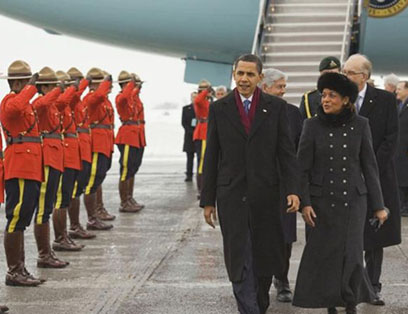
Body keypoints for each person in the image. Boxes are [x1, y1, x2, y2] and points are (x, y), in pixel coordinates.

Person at [200, 54, 300, 314]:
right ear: (234, 75)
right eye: (240, 74)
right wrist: (207, 200)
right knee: (239, 255)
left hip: (267, 194)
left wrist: (293, 190)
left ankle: (259, 303)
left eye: (250, 74)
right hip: (232, 195)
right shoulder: (220, 108)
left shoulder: (275, 108)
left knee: (263, 257)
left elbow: (286, 153)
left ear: (259, 77)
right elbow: (211, 155)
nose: (244, 79)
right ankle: (249, 308)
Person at [293, 72, 389, 314]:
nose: (325, 100)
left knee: (353, 254)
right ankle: (330, 302)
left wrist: (378, 206)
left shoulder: (361, 125)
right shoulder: (311, 126)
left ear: (346, 100)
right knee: (326, 255)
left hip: (354, 200)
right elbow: (301, 168)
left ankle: (349, 301)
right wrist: (304, 203)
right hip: (321, 203)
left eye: (332, 96)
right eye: (323, 95)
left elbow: (370, 166)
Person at [343, 54, 401, 305]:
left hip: (378, 177)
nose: (344, 77)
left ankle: (373, 285)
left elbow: (391, 139)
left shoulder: (386, 100)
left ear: (363, 77)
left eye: (349, 73)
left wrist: (369, 169)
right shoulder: (339, 98)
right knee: (349, 234)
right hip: (348, 178)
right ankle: (349, 285)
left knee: (376, 235)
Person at [32, 67, 81, 265]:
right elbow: (43, 102)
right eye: (51, 86)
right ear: (43, 87)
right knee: (44, 207)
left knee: (51, 204)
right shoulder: (40, 103)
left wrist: (66, 88)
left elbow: (64, 100)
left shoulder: (54, 105)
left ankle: (53, 247)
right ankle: (45, 253)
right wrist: (59, 89)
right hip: (47, 158)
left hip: (56, 157)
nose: (57, 89)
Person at [260, 68, 302, 303]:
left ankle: (282, 279)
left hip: (285, 185)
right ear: (265, 88)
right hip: (259, 185)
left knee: (286, 237)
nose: (284, 91)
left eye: (284, 86)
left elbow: (298, 151)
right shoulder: (252, 112)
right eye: (280, 87)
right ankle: (260, 280)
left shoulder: (292, 113)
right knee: (260, 234)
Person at [1, 61, 43, 287]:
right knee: (16, 218)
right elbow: (14, 109)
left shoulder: (24, 102)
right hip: (19, 166)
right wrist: (29, 89)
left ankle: (21, 268)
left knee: (23, 218)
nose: (31, 86)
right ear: (16, 83)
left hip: (30, 165)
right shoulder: (10, 101)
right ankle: (13, 271)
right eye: (26, 82)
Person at [82, 68, 114, 230]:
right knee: (91, 182)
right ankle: (92, 218)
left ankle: (96, 213)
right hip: (96, 143)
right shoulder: (91, 97)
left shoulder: (104, 100)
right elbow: (99, 96)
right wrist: (106, 83)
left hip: (105, 143)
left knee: (98, 178)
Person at [115, 70, 143, 212]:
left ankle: (129, 198)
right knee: (125, 170)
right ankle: (124, 202)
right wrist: (132, 84)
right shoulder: (121, 97)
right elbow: (126, 96)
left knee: (132, 168)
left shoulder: (132, 98)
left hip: (136, 136)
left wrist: (137, 87)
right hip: (127, 137)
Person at [193, 80, 212, 199]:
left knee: (206, 162)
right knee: (202, 162)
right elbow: (197, 100)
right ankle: (201, 190)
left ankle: (204, 188)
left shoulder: (206, 101)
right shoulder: (200, 100)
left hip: (207, 130)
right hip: (202, 132)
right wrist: (205, 91)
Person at [395, 81, 408, 217]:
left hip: (406, 149)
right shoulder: (399, 105)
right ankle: (402, 205)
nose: (397, 91)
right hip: (400, 149)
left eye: (399, 89)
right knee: (401, 177)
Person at [181, 92, 197, 182]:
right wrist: (191, 132)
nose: (194, 99)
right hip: (189, 136)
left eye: (196, 97)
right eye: (193, 97)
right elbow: (184, 123)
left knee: (201, 156)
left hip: (200, 135)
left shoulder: (203, 108)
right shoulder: (186, 109)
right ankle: (189, 174)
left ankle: (201, 173)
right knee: (189, 157)